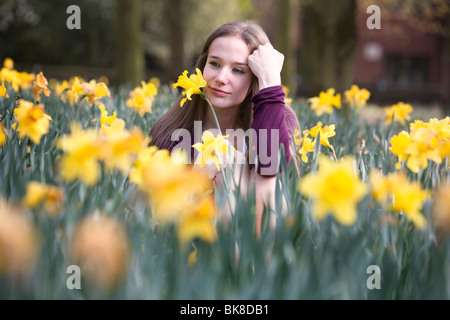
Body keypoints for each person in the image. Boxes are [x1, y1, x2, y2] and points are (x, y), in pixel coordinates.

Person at [149, 20, 300, 238]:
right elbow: (159, 215)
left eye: (238, 70)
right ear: (203, 66)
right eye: (215, 64)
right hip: (191, 244)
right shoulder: (171, 131)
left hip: (259, 242)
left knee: (236, 164)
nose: (221, 79)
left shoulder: (275, 116)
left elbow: (270, 169)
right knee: (223, 162)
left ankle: (252, 268)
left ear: (255, 78)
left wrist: (271, 83)